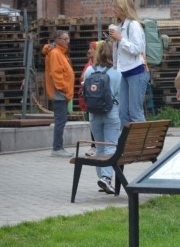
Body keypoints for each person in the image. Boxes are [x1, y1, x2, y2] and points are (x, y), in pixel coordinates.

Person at [83, 41, 122, 194]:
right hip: (111, 112)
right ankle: (106, 179)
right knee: (110, 146)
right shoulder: (116, 73)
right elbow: (120, 95)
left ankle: (103, 179)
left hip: (93, 113)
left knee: (99, 146)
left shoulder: (89, 71)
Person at [108, 0, 150, 125]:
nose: (113, 9)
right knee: (123, 113)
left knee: (135, 113)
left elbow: (137, 49)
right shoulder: (120, 26)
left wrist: (120, 39)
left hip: (136, 71)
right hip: (125, 72)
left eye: (115, 7)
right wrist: (114, 41)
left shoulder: (134, 25)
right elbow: (120, 53)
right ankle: (127, 143)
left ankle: (141, 144)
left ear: (123, 8)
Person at [42, 30, 75, 157]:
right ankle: (57, 148)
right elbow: (56, 74)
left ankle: (58, 147)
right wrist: (64, 89)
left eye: (68, 38)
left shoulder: (60, 53)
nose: (68, 41)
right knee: (60, 120)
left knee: (61, 120)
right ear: (57, 39)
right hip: (60, 92)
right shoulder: (56, 53)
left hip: (62, 92)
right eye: (65, 39)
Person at [79, 41, 98, 156]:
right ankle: (94, 146)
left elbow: (83, 77)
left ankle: (95, 146)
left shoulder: (93, 66)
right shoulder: (90, 63)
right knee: (92, 123)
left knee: (95, 123)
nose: (89, 51)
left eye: (92, 49)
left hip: (94, 99)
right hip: (88, 99)